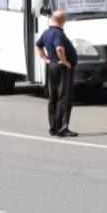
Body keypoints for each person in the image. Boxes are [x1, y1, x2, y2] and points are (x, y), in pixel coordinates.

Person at [36, 9, 78, 137]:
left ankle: (53, 126)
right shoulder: (58, 33)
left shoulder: (47, 32)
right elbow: (59, 48)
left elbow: (38, 45)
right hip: (61, 68)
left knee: (53, 97)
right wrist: (65, 61)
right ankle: (62, 127)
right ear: (62, 20)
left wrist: (45, 58)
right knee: (64, 97)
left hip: (52, 66)